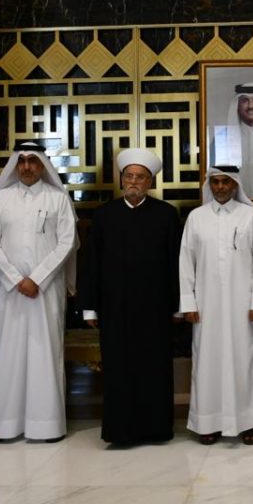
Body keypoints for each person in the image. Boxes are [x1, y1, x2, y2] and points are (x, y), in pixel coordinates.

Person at [78, 148, 182, 447]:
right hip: (114, 308)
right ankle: (120, 432)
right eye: (129, 176)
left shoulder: (166, 214)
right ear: (122, 180)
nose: (134, 181)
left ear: (150, 182)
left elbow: (176, 263)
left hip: (155, 308)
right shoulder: (104, 215)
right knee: (118, 370)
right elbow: (91, 264)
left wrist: (178, 305)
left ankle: (156, 429)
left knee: (154, 368)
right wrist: (89, 308)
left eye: (140, 177)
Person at [0, 141, 77, 444]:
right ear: (15, 164)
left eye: (32, 161)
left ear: (42, 165)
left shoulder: (57, 199)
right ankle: (3, 426)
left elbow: (67, 242)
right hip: (9, 290)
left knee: (45, 353)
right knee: (8, 354)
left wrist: (36, 278)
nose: (26, 166)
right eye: (21, 161)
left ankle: (46, 426)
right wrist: (15, 279)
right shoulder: (0, 199)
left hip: (45, 291)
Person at [179, 166, 253, 445]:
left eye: (225, 182)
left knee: (247, 360)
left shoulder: (250, 216)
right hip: (206, 306)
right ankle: (208, 422)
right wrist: (188, 302)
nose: (220, 187)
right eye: (215, 182)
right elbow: (186, 262)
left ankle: (250, 421)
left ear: (235, 185)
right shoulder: (196, 217)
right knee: (207, 362)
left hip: (244, 307)